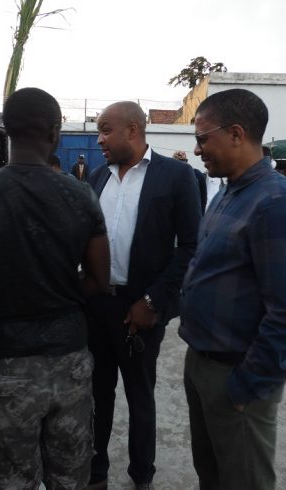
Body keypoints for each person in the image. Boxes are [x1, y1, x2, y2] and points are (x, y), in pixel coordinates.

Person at [0, 88, 110, 489]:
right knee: (70, 476)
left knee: (10, 478)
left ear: (5, 132)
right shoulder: (80, 195)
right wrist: (61, 292)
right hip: (69, 358)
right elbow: (101, 279)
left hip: (5, 363)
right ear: (55, 133)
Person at [179, 89, 286, 490]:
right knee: (212, 474)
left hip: (236, 374)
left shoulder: (275, 203)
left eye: (203, 138)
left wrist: (246, 386)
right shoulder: (229, 192)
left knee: (242, 480)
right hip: (203, 362)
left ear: (236, 134)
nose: (198, 148)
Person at [86, 101, 201, 490]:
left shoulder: (177, 177)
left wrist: (152, 302)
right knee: (96, 394)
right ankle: (95, 472)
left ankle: (141, 476)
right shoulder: (97, 177)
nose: (99, 139)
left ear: (133, 130)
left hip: (141, 309)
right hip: (98, 305)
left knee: (139, 396)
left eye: (106, 130)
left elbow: (189, 246)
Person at [172, 149, 208, 214]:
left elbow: (203, 198)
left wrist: (201, 216)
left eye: (183, 161)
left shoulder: (197, 174)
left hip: (193, 213)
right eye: (178, 161)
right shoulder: (170, 176)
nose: (181, 164)